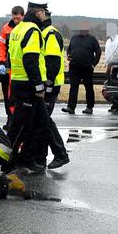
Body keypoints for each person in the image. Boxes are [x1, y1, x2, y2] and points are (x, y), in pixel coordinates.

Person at [6, 1, 52, 174]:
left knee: (41, 123)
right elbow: (31, 60)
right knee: (21, 126)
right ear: (39, 13)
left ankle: (27, 158)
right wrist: (38, 85)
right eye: (45, 13)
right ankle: (8, 160)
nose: (46, 17)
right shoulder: (32, 31)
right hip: (28, 84)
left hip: (19, 81)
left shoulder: (17, 29)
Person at [40, 13, 70, 169]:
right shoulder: (44, 32)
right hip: (47, 84)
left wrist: (48, 85)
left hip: (50, 85)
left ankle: (60, 154)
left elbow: (52, 63)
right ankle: (42, 157)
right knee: (41, 120)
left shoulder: (50, 34)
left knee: (44, 120)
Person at [63, 28, 101, 115]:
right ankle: (71, 107)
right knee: (73, 87)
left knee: (88, 87)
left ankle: (89, 107)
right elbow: (69, 49)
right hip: (74, 67)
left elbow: (98, 52)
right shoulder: (74, 38)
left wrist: (93, 64)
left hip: (87, 68)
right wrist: (68, 55)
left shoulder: (92, 39)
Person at [0, 6, 25, 115]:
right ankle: (10, 118)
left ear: (23, 16)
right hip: (7, 67)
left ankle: (18, 119)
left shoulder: (26, 29)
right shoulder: (6, 29)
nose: (16, 21)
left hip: (20, 69)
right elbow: (1, 46)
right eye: (14, 18)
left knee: (18, 95)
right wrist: (1, 62)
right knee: (7, 94)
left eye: (18, 18)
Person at [104, 29, 118, 115]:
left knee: (117, 85)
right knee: (110, 85)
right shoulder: (108, 41)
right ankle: (114, 104)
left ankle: (117, 106)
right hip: (109, 65)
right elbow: (107, 53)